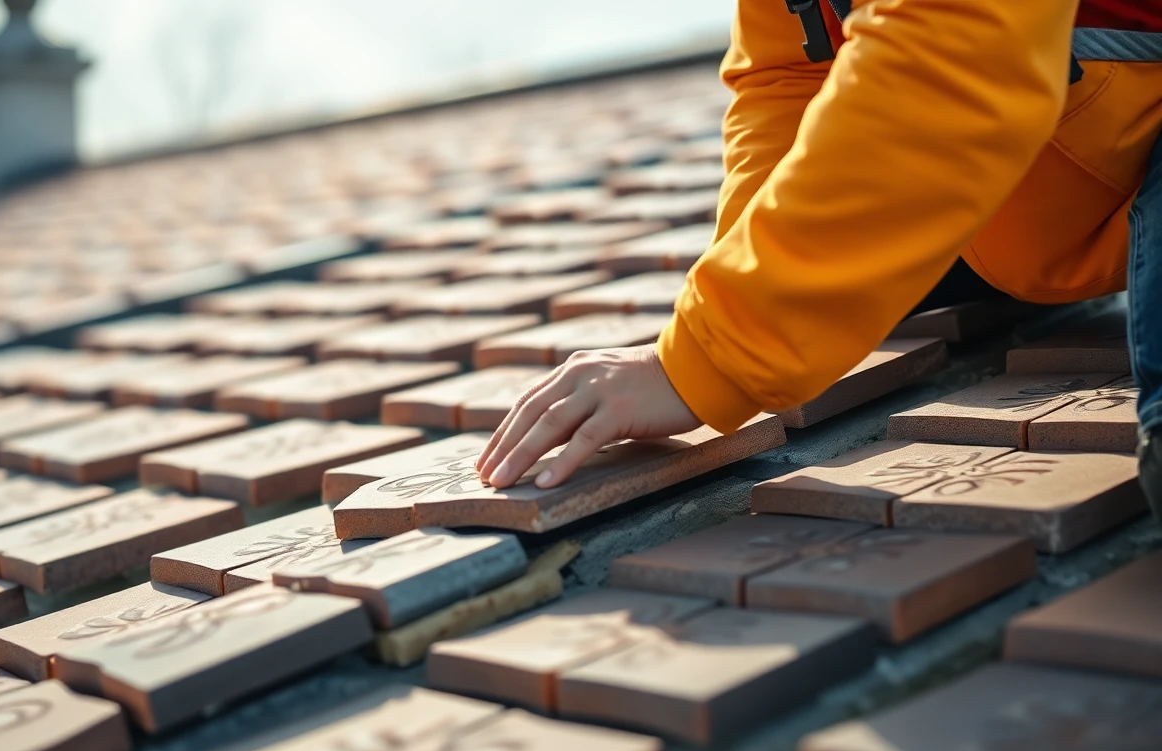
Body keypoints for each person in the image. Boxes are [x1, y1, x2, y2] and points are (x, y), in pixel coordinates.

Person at [475, 0, 1162, 520]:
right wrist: (714, 316)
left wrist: (705, 364)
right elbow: (787, 80)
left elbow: (953, 53)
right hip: (1055, 177)